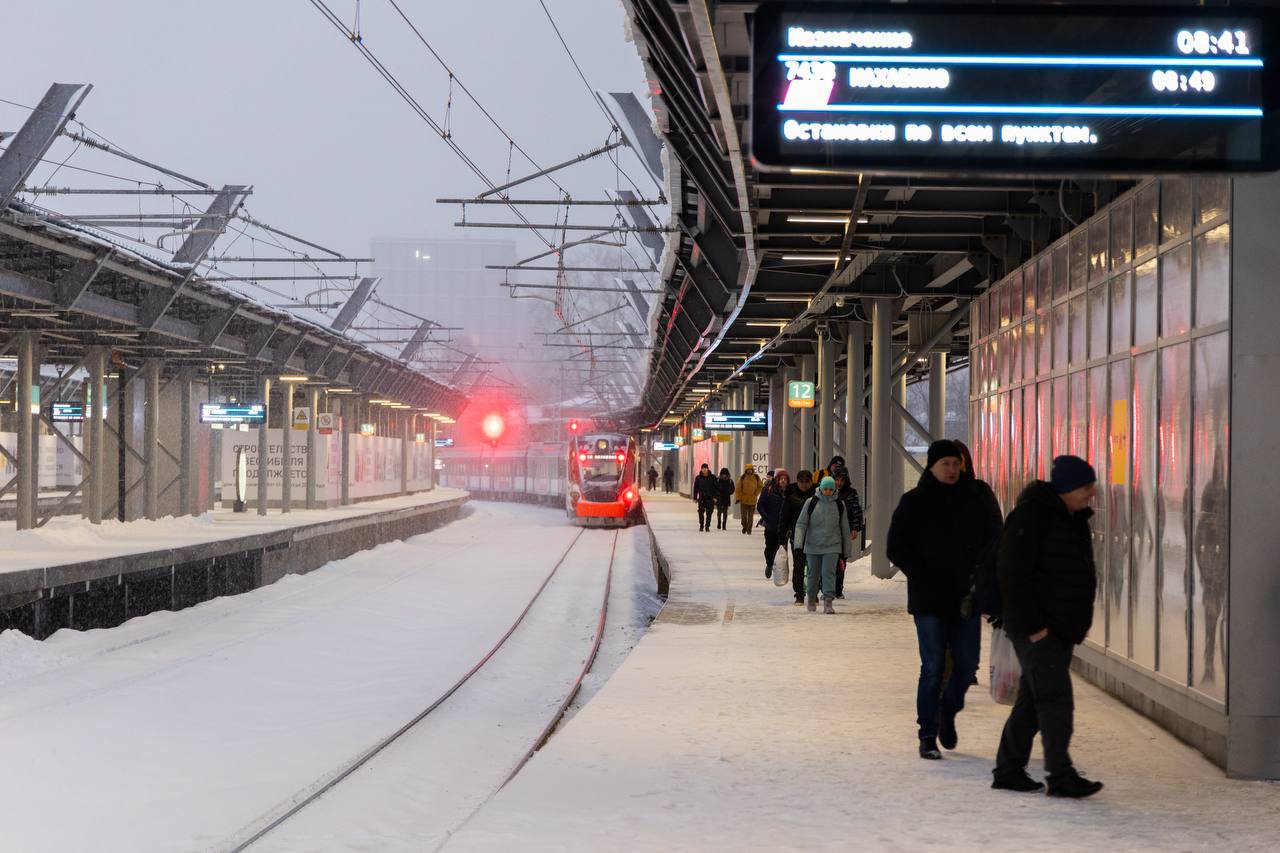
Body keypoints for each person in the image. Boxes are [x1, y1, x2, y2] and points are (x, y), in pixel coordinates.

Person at [992, 455, 1103, 798]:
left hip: (1059, 628)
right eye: (1086, 486)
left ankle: (1009, 769)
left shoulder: (1071, 519)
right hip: (1038, 629)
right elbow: (1012, 575)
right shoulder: (1031, 517)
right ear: (1068, 486)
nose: (1091, 493)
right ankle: (1060, 775)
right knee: (1056, 700)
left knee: (1032, 699)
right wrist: (1034, 626)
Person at [887, 440, 1002, 761]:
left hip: (966, 598)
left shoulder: (976, 499)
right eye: (945, 464)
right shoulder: (914, 502)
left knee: (966, 667)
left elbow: (995, 541)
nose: (952, 470)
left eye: (956, 464)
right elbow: (895, 547)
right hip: (929, 599)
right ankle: (927, 733)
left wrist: (986, 578)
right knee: (934, 667)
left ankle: (947, 712)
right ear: (932, 466)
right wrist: (921, 573)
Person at [794, 476, 850, 614]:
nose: (828, 491)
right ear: (821, 488)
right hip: (813, 545)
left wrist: (846, 550)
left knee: (828, 574)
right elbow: (801, 524)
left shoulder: (839, 504)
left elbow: (844, 528)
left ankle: (828, 602)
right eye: (825, 489)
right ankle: (812, 598)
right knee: (813, 574)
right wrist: (798, 543)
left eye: (831, 489)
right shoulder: (811, 502)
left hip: (832, 545)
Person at [780, 470, 816, 605]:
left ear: (811, 482)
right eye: (802, 482)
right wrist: (782, 540)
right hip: (797, 536)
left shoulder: (818, 494)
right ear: (798, 481)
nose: (805, 485)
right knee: (799, 565)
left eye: (807, 482)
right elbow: (783, 518)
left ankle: (813, 592)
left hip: (814, 536)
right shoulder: (790, 495)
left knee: (814, 566)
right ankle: (799, 594)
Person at [829, 465, 864, 598]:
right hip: (830, 532)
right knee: (829, 561)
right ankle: (828, 588)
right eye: (837, 479)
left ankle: (838, 589)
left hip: (845, 531)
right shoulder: (828, 491)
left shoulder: (851, 493)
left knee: (841, 561)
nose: (839, 483)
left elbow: (856, 511)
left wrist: (855, 528)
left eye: (841, 480)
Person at [755, 468, 789, 579]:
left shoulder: (789, 492)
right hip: (770, 525)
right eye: (781, 479)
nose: (783, 481)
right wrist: (767, 517)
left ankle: (781, 570)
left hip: (784, 526)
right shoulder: (768, 490)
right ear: (777, 479)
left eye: (785, 479)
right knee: (770, 547)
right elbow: (760, 506)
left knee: (782, 549)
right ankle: (769, 563)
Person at [735, 463, 763, 534]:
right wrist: (738, 498)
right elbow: (738, 489)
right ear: (746, 470)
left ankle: (749, 530)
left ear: (752, 470)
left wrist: (756, 493)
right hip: (743, 500)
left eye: (750, 469)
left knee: (750, 517)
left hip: (752, 500)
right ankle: (744, 526)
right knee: (743, 517)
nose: (749, 471)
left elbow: (760, 486)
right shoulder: (743, 477)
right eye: (748, 470)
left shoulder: (756, 477)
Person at [693, 463, 718, 532]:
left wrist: (715, 497)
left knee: (709, 512)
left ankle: (707, 526)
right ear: (701, 469)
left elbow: (716, 488)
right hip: (701, 498)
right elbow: (696, 488)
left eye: (705, 468)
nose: (704, 470)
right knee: (701, 512)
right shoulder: (698, 478)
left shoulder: (713, 477)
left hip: (710, 498)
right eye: (703, 468)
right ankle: (701, 525)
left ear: (707, 469)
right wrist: (695, 497)